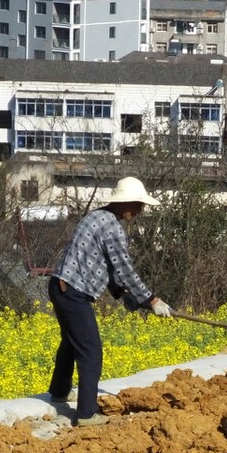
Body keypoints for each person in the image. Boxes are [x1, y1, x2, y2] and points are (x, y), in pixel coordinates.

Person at [48, 176, 173, 426]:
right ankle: (85, 414)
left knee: (73, 343)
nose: (140, 210)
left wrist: (122, 294)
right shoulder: (111, 227)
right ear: (124, 203)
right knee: (90, 351)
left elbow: (103, 265)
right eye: (138, 204)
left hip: (60, 286)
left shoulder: (97, 217)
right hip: (72, 291)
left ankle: (60, 392)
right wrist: (151, 299)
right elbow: (124, 268)